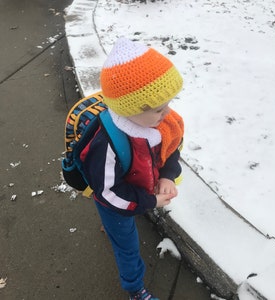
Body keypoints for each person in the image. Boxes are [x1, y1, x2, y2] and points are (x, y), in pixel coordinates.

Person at [81, 37, 184, 300]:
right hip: (114, 200)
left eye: (169, 103)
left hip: (135, 192)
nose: (167, 114)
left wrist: (167, 175)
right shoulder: (108, 144)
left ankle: (114, 224)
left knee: (125, 219)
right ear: (128, 108)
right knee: (126, 246)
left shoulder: (158, 123)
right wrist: (150, 201)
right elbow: (109, 193)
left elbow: (172, 148)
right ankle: (135, 289)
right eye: (159, 108)